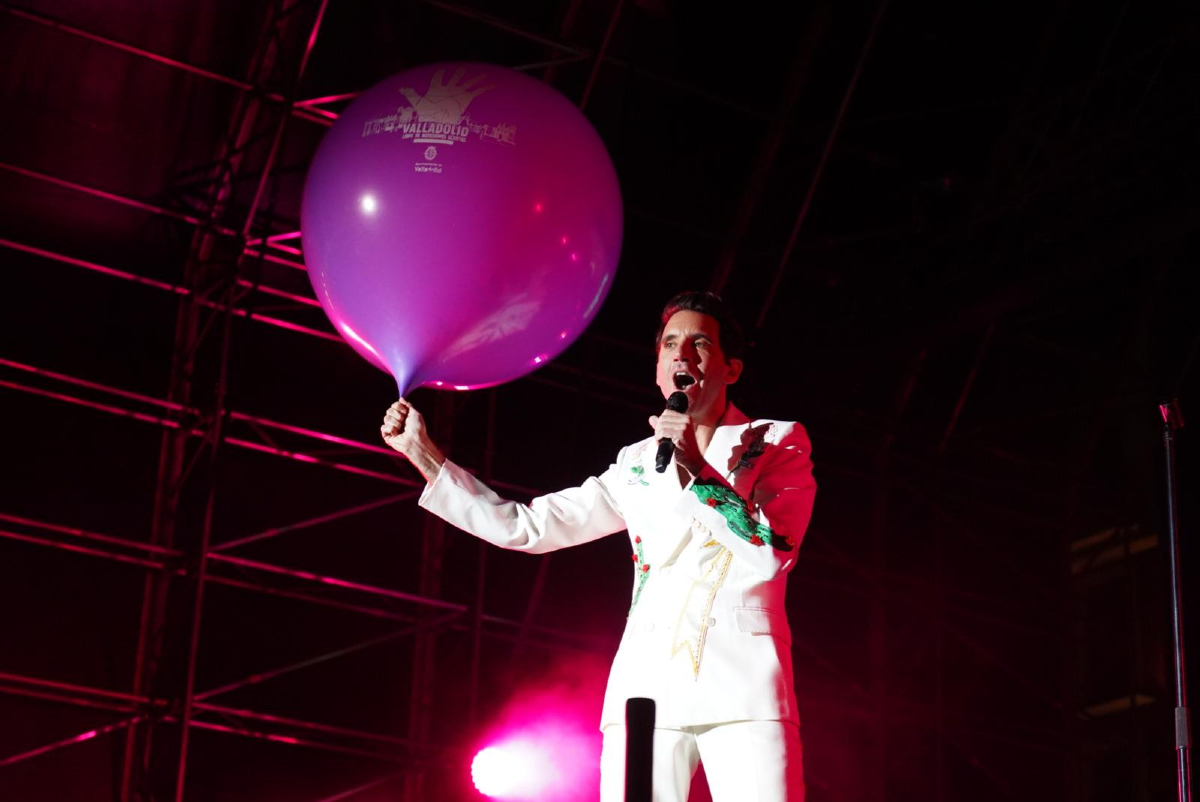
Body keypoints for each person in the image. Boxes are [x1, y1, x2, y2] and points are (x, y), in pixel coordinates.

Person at [381, 291, 816, 802]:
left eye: (699, 344)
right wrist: (427, 457)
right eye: (670, 344)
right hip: (646, 690)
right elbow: (529, 527)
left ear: (730, 369)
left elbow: (773, 549)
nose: (681, 354)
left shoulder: (774, 441)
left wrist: (694, 469)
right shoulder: (635, 463)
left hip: (744, 685)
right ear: (658, 370)